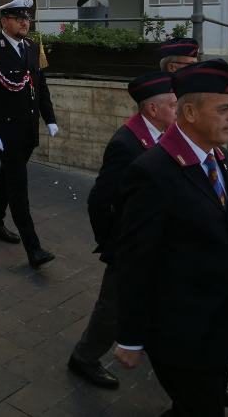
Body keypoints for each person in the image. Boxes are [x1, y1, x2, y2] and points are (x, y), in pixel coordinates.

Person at [114, 59, 228, 417]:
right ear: (189, 112)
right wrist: (131, 336)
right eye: (224, 108)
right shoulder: (152, 172)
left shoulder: (220, 157)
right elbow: (135, 262)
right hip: (180, 332)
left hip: (219, 322)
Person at [69, 72, 177, 390]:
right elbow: (99, 202)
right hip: (132, 246)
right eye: (173, 104)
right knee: (113, 309)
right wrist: (113, 244)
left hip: (161, 242)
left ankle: (187, 373)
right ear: (152, 110)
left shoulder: (167, 133)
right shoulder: (126, 145)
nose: (179, 109)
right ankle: (84, 358)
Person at [0, 0, 58, 269]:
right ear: (4, 21)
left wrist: (50, 118)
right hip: (5, 130)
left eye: (27, 18)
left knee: (8, 175)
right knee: (18, 186)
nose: (25, 22)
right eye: (19, 18)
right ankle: (34, 248)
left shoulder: (31, 47)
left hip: (28, 129)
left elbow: (40, 86)